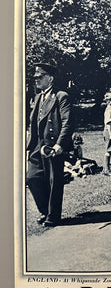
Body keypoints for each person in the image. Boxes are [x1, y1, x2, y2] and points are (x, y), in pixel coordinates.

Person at [26, 62, 73, 227]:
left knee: (54, 180)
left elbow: (67, 123)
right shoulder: (38, 97)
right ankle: (45, 211)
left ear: (50, 78)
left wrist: (59, 145)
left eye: (40, 77)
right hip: (37, 146)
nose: (36, 80)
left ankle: (53, 216)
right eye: (35, 77)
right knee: (32, 178)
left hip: (52, 146)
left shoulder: (61, 96)